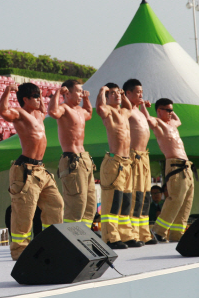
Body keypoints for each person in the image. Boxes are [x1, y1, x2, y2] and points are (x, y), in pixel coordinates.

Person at [0, 82, 64, 260]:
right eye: (34, 96)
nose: (38, 99)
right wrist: (7, 92)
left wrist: (57, 92)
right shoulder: (19, 113)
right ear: (25, 100)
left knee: (56, 204)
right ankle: (20, 252)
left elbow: (48, 107)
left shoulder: (39, 114)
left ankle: (51, 243)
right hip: (25, 169)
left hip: (40, 169)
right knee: (24, 213)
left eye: (39, 96)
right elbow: (2, 111)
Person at [141, 98, 195, 242]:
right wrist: (143, 105)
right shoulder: (157, 123)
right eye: (168, 110)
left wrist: (171, 109)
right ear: (159, 111)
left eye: (171, 110)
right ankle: (158, 231)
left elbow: (179, 120)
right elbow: (147, 118)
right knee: (175, 199)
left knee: (186, 201)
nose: (171, 113)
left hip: (186, 165)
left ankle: (177, 234)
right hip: (174, 165)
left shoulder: (172, 124)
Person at [96, 83, 141, 249]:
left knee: (126, 200)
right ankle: (111, 237)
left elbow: (129, 108)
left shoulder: (123, 111)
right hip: (114, 161)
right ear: (107, 97)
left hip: (126, 161)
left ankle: (126, 234)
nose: (117, 96)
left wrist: (124, 96)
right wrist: (102, 90)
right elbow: (100, 107)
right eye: (113, 94)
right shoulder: (108, 111)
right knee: (112, 201)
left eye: (118, 93)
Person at [48, 79, 96, 229]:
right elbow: (52, 112)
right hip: (72, 159)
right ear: (68, 93)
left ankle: (85, 234)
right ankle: (70, 236)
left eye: (82, 91)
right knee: (77, 202)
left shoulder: (80, 111)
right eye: (79, 91)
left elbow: (89, 113)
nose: (81, 94)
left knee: (90, 202)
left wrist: (87, 99)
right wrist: (57, 93)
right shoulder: (64, 108)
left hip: (85, 159)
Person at [123, 79, 156, 245]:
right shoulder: (125, 109)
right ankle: (132, 233)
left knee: (145, 195)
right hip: (133, 155)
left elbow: (149, 123)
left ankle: (143, 232)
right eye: (137, 92)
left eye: (141, 92)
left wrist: (143, 107)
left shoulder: (139, 111)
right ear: (128, 93)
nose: (141, 95)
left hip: (144, 156)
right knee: (134, 194)